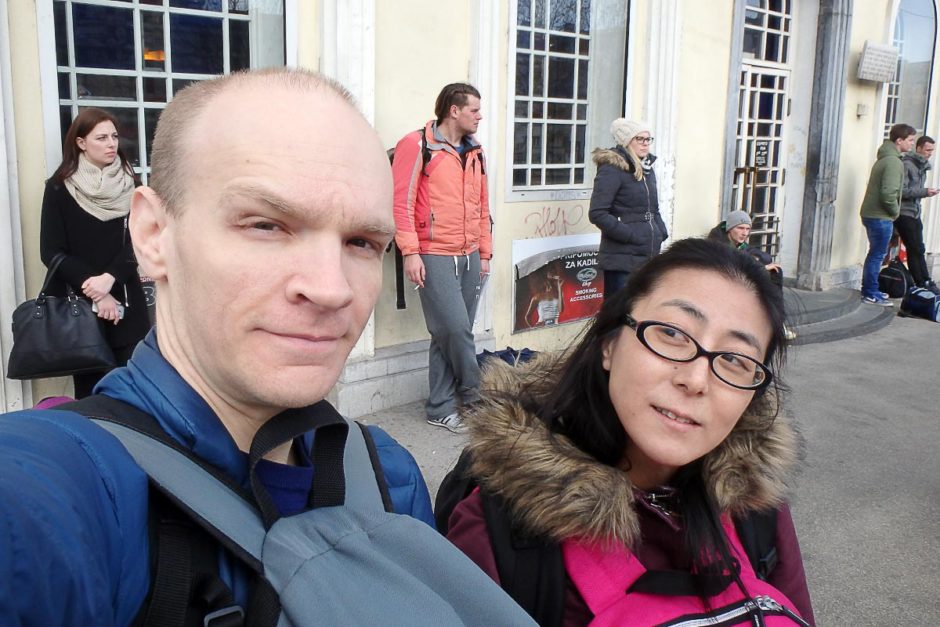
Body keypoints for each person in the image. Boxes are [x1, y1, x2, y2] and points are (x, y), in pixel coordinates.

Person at [0, 69, 446, 625]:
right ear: (153, 236)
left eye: (361, 242)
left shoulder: (388, 476)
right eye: (266, 225)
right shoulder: (70, 489)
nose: (332, 288)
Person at [445, 238, 815, 625]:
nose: (695, 379)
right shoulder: (501, 530)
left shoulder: (754, 507)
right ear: (609, 344)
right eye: (672, 333)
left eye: (735, 360)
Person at [392, 83, 491, 434]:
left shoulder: (476, 151)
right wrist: (410, 252)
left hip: (469, 253)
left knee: (445, 335)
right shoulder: (416, 145)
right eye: (474, 110)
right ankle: (476, 396)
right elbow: (401, 202)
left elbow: (483, 207)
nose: (480, 116)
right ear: (454, 110)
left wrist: (485, 253)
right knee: (456, 329)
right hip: (432, 253)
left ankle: (440, 406)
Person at [39, 107, 151, 397]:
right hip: (82, 313)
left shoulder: (132, 184)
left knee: (134, 393)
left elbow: (140, 240)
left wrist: (110, 279)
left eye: (114, 136)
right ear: (81, 143)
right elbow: (51, 250)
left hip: (128, 306)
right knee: (91, 398)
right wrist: (98, 290)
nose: (112, 143)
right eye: (101, 137)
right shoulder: (59, 189)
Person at [588, 119, 668, 300]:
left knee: (641, 311)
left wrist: (661, 231)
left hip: (648, 254)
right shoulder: (613, 168)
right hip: (621, 258)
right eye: (640, 139)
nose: (645, 143)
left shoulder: (646, 168)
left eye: (648, 139)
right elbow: (597, 213)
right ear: (626, 141)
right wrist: (630, 235)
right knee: (618, 314)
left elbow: (653, 209)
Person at [708, 210, 796, 341]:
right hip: (724, 282)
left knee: (775, 272)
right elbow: (732, 264)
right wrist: (760, 267)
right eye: (740, 228)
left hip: (739, 278)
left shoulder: (738, 242)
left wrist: (763, 260)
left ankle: (776, 321)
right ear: (730, 228)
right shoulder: (718, 243)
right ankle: (771, 323)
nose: (744, 233)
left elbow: (748, 252)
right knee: (764, 275)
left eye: (748, 229)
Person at [859, 123, 917, 306]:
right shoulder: (893, 162)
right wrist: (895, 212)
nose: (912, 144)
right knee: (877, 255)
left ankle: (870, 289)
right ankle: (870, 292)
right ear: (899, 140)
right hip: (880, 215)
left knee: (875, 254)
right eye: (910, 140)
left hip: (873, 214)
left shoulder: (885, 158)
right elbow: (888, 193)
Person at [898, 135, 939, 293]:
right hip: (904, 212)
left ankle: (926, 280)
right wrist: (925, 192)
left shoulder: (921, 166)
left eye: (932, 150)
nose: (930, 153)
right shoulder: (907, 164)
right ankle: (920, 283)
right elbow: (902, 191)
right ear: (919, 148)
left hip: (914, 212)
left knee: (919, 248)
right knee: (914, 248)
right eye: (928, 149)